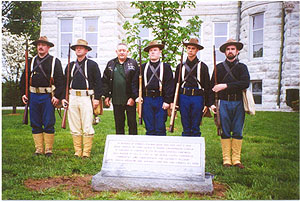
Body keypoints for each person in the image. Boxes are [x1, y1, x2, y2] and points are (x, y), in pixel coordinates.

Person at [20, 36, 64, 156]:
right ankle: (39, 149)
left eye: (43, 45)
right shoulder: (31, 61)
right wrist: (24, 94)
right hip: (33, 96)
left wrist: (57, 97)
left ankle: (48, 149)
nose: (40, 47)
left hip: (48, 97)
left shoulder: (55, 61)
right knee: (35, 122)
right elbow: (24, 78)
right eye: (39, 44)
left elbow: (61, 81)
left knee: (49, 122)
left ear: (48, 47)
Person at [210, 39, 250, 169]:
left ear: (237, 51)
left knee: (237, 131)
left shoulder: (242, 67)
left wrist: (225, 85)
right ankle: (227, 159)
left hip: (238, 102)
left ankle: (236, 160)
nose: (230, 51)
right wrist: (211, 104)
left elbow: (245, 83)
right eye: (228, 49)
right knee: (225, 131)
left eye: (233, 49)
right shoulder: (219, 68)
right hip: (224, 103)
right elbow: (212, 87)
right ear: (225, 52)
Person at [62, 39, 102, 158]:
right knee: (74, 125)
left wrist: (97, 98)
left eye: (81, 47)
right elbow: (65, 83)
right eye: (76, 48)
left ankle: (86, 152)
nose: (78, 49)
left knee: (87, 125)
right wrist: (64, 98)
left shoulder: (92, 65)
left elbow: (98, 83)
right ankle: (77, 151)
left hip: (86, 97)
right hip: (72, 96)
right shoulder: (70, 66)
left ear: (86, 50)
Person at [133, 41, 174, 136]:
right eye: (150, 50)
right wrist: (137, 97)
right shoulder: (142, 67)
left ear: (160, 52)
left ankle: (161, 149)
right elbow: (134, 83)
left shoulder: (166, 67)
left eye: (155, 50)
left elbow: (170, 85)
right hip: (147, 100)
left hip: (161, 99)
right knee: (149, 127)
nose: (152, 52)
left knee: (160, 127)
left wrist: (167, 101)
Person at [174, 38, 213, 137]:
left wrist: (207, 103)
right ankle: (186, 149)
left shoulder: (203, 66)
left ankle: (196, 149)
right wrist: (176, 102)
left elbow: (207, 86)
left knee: (196, 125)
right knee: (185, 124)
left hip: (197, 97)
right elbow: (176, 85)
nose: (190, 50)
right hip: (184, 97)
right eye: (188, 48)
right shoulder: (180, 66)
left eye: (193, 48)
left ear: (197, 50)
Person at [102, 43, 138, 135]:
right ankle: (120, 145)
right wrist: (107, 96)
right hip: (116, 99)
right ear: (116, 52)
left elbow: (136, 82)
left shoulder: (133, 63)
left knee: (132, 123)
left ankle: (133, 144)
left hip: (130, 100)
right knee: (119, 124)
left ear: (127, 52)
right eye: (120, 50)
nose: (122, 52)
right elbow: (105, 81)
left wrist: (133, 97)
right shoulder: (111, 64)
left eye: (124, 50)